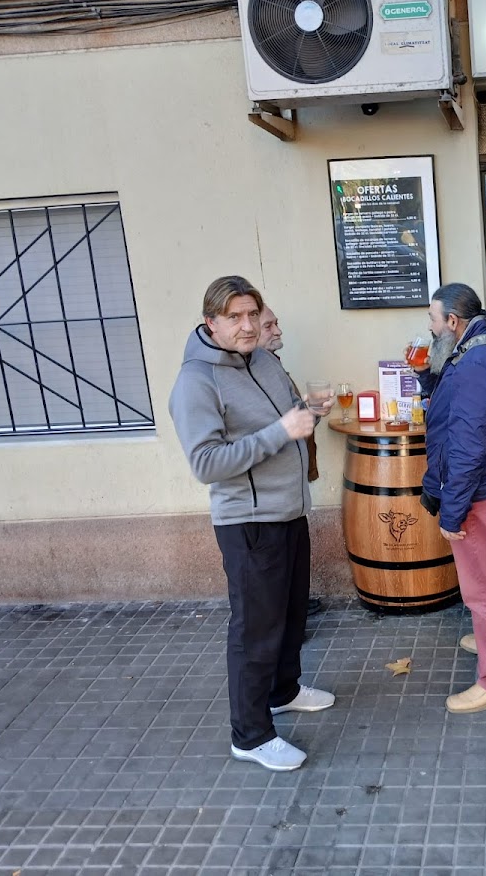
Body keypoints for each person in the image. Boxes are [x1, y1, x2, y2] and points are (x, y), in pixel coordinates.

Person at [169, 276, 335, 772]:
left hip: (288, 510)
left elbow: (285, 421)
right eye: (235, 317)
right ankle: (251, 734)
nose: (247, 326)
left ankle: (283, 691)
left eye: (252, 315)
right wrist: (282, 430)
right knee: (255, 630)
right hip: (248, 521)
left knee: (290, 615)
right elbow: (207, 464)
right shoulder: (196, 381)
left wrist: (307, 415)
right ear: (211, 323)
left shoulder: (262, 359)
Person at [411, 283, 486, 714]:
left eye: (433, 320)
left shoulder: (477, 360)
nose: (430, 327)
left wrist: (452, 512)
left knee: (483, 592)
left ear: (452, 323)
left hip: (478, 493)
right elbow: (454, 397)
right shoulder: (479, 345)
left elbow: (467, 445)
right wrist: (424, 375)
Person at [257, 305, 323, 616]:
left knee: (292, 564)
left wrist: (313, 412)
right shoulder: (253, 379)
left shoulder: (274, 368)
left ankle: (293, 608)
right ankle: (285, 614)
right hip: (269, 497)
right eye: (269, 326)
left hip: (291, 492)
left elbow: (295, 422)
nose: (278, 331)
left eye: (276, 323)